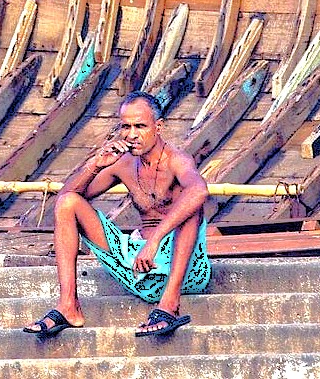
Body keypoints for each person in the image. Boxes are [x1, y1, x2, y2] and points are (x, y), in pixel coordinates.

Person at [23, 91, 211, 338]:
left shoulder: (177, 160)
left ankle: (169, 304)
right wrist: (95, 165)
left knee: (191, 207)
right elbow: (66, 197)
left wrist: (154, 241)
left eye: (140, 126)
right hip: (137, 267)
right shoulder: (123, 163)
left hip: (184, 271)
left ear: (158, 127)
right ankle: (68, 305)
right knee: (68, 203)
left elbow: (199, 190)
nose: (132, 135)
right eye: (126, 127)